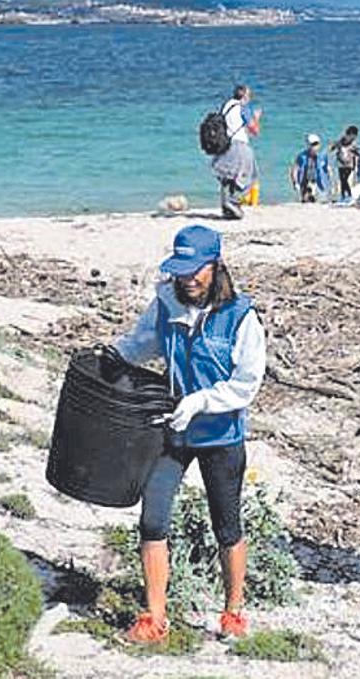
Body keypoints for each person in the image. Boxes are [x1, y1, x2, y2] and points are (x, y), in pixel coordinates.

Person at [106, 225, 267, 644]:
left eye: (197, 271)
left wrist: (201, 401)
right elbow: (143, 343)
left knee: (226, 526)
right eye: (182, 271)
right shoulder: (166, 302)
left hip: (221, 436)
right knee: (153, 518)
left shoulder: (240, 317)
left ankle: (233, 612)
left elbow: (247, 383)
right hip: (172, 432)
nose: (189, 280)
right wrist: (116, 355)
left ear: (215, 266)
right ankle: (154, 618)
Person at [210, 85, 262, 219]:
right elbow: (254, 130)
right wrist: (256, 118)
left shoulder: (226, 106)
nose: (250, 98)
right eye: (249, 95)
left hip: (224, 144)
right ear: (244, 96)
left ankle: (226, 207)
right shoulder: (242, 108)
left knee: (227, 176)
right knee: (249, 175)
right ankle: (234, 202)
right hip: (239, 145)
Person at [289, 133, 332, 203]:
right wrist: (295, 182)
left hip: (318, 182)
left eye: (317, 144)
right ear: (308, 145)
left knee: (317, 199)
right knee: (306, 199)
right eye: (313, 145)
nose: (315, 147)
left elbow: (327, 168)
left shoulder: (322, 156)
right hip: (305, 181)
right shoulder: (302, 156)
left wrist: (330, 181)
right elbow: (294, 169)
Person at [331, 126, 360, 203]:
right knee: (342, 180)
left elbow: (358, 153)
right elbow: (334, 147)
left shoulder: (353, 144)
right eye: (353, 136)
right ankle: (343, 196)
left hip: (350, 165)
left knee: (345, 179)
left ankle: (349, 195)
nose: (354, 138)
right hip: (341, 164)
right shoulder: (341, 141)